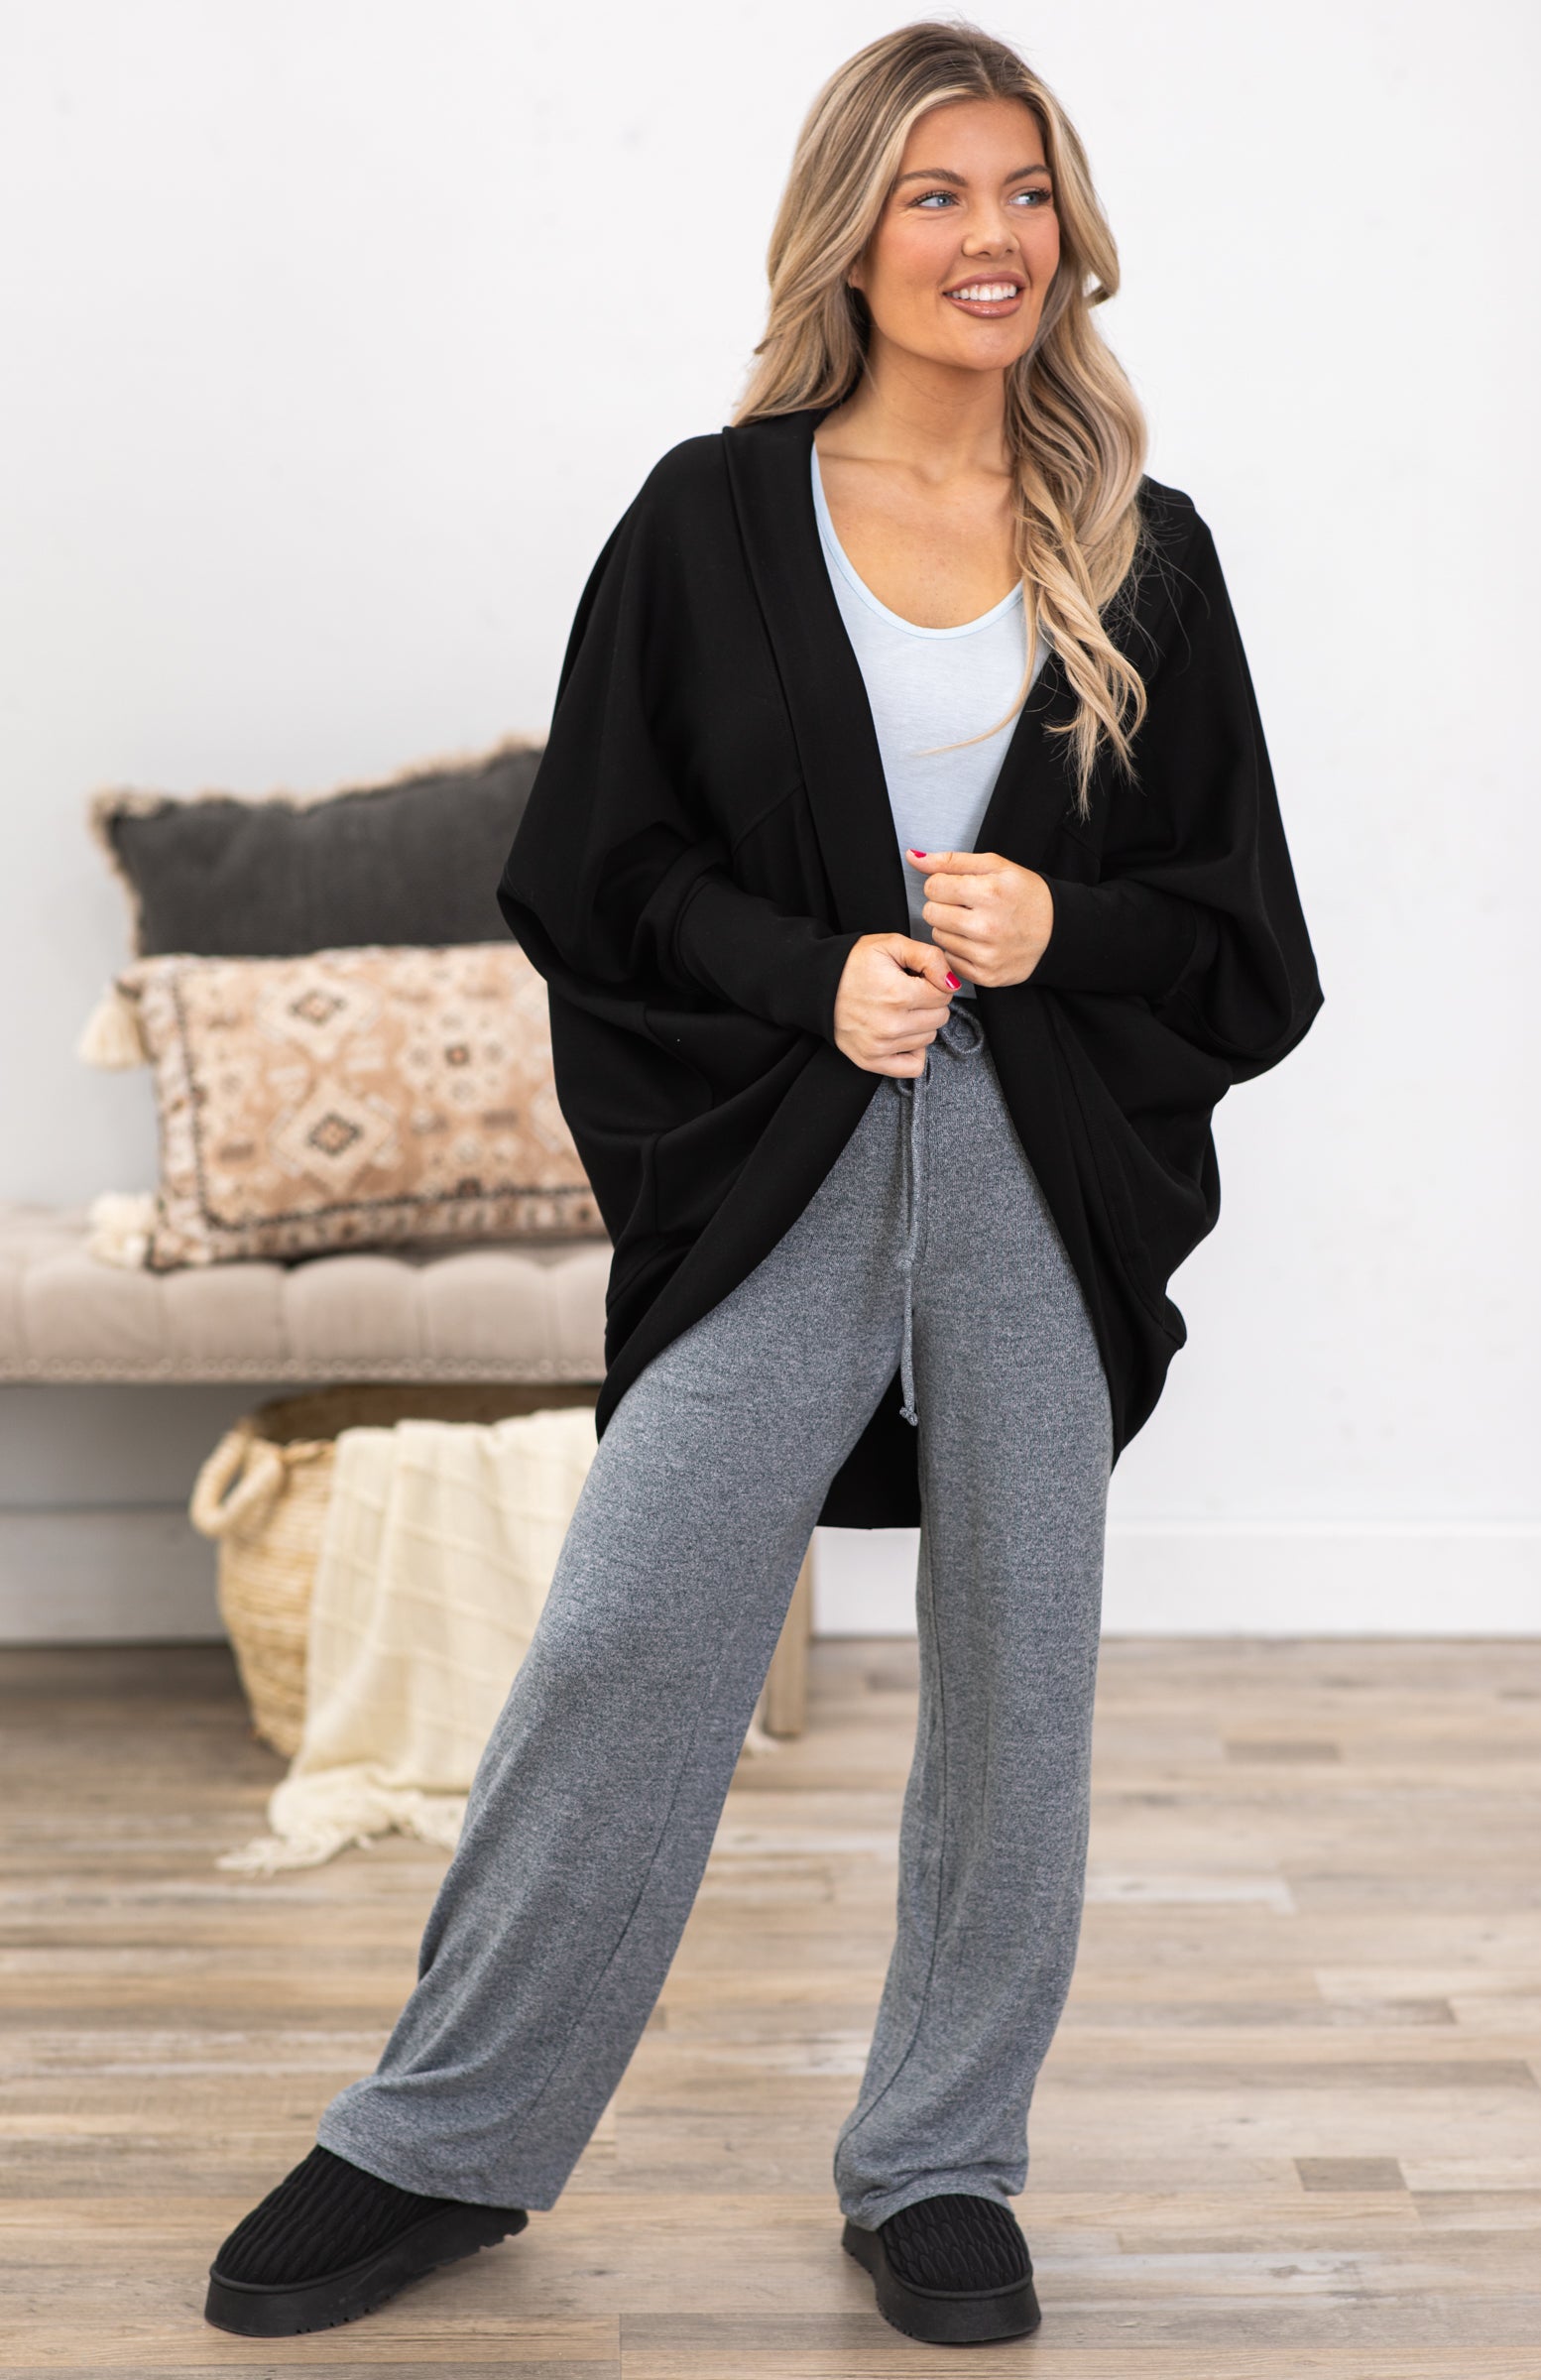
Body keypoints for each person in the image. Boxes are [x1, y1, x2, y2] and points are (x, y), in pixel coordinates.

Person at [203, 20, 1321, 2351]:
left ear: (1068, 233)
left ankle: (938, 2160)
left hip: (1041, 1175)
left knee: (1015, 1680)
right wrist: (807, 974)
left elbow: (1241, 939)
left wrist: (1059, 926)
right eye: (937, 193)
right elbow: (592, 872)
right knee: (627, 1633)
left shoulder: (1149, 547)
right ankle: (441, 2136)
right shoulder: (710, 518)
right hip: (781, 1158)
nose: (991, 236)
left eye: (1024, 191)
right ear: (851, 233)